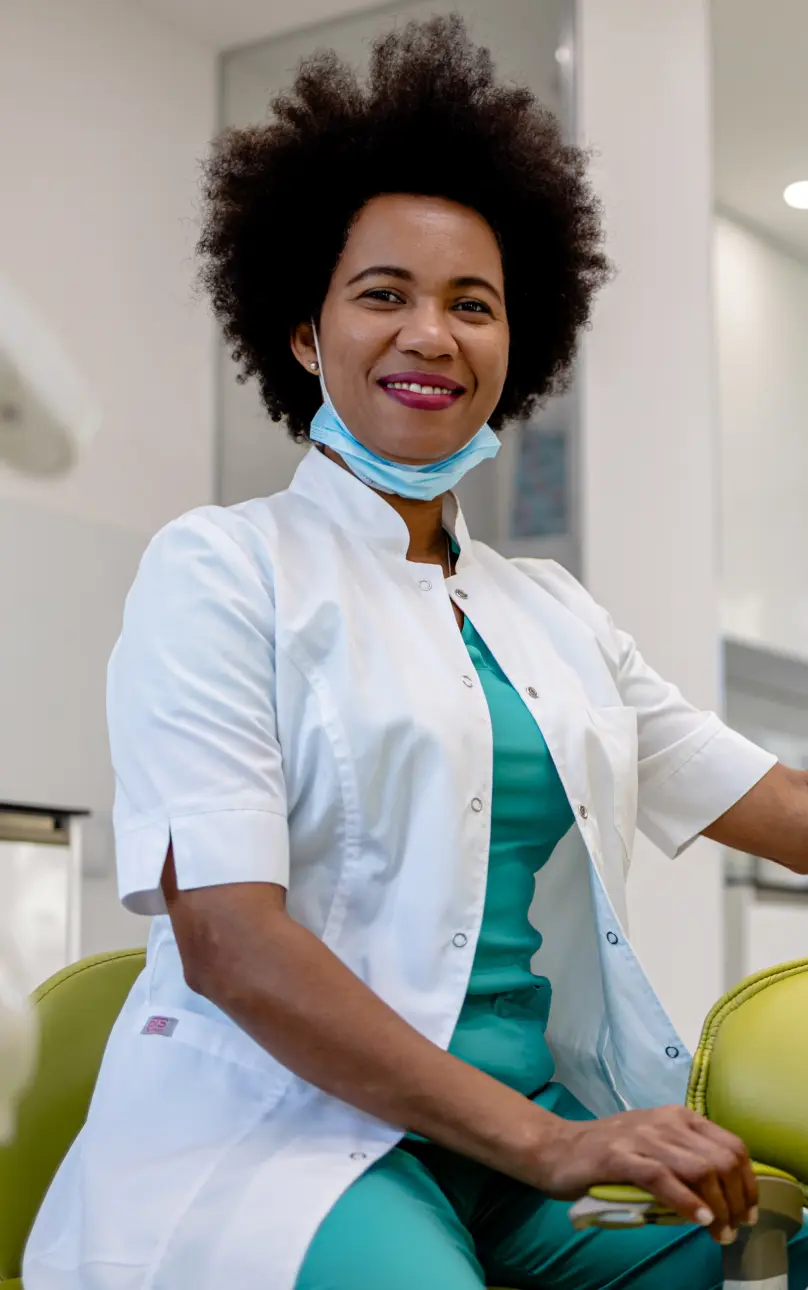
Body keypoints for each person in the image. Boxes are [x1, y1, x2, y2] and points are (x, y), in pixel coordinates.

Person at [23, 17, 808, 1290]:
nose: (430, 335)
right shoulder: (221, 569)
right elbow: (229, 939)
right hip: (290, 1138)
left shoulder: (550, 612)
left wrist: (552, 1144)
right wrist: (554, 1144)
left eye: (472, 305)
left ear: (519, 344)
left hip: (524, 1154)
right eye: (382, 294)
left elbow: (776, 804)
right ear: (300, 330)